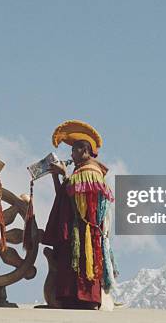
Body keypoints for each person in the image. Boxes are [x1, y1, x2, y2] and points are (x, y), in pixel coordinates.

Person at [42, 120, 118, 309]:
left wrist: (65, 174)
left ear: (84, 152)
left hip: (84, 230)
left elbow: (79, 198)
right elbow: (64, 195)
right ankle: (69, 298)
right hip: (72, 229)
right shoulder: (78, 172)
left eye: (74, 151)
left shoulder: (91, 171)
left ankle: (85, 299)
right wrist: (55, 176)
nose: (71, 155)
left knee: (82, 262)